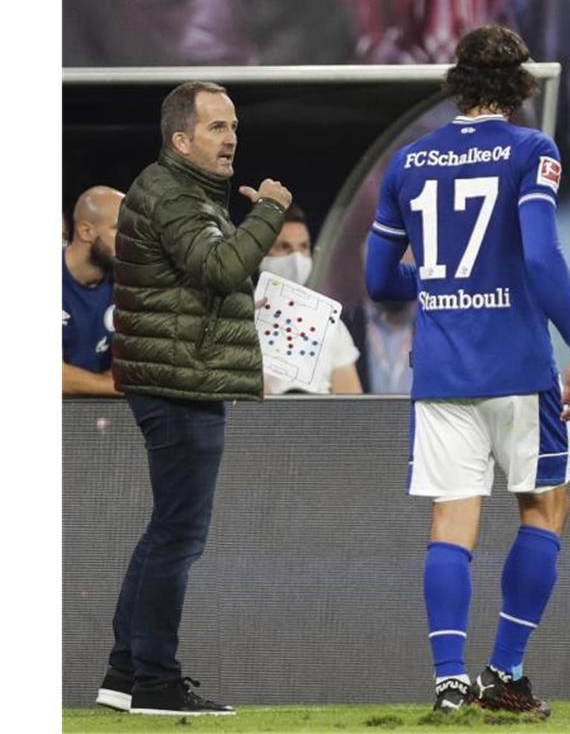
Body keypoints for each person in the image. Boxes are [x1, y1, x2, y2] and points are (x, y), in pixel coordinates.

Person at [365, 24, 570, 717]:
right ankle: (505, 671)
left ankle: (449, 681)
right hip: (520, 367)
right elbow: (542, 257)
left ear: (456, 82)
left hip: (441, 372)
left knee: (451, 521)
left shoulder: (408, 163)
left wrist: (436, 287)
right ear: (521, 84)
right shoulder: (532, 150)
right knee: (545, 506)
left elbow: (380, 280)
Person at [96, 80, 292, 716]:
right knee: (179, 535)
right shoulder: (171, 192)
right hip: (178, 383)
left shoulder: (184, 193)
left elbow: (212, 282)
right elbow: (217, 270)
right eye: (216, 127)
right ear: (181, 139)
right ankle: (154, 680)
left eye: (233, 125)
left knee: (167, 532)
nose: (232, 137)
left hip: (182, 376)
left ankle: (126, 676)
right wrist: (269, 212)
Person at [260, 204, 363, 395]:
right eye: (284, 247)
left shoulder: (330, 324)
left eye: (304, 247)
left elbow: (352, 404)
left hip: (322, 424)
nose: (296, 258)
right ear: (259, 253)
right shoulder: (238, 320)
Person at [63, 186, 124, 396]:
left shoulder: (129, 283)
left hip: (98, 419)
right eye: (120, 229)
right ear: (86, 231)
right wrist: (117, 387)